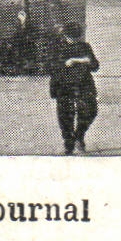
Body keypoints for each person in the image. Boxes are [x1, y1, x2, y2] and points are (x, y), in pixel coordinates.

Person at [48, 23, 99, 155]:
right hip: (64, 85)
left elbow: (95, 65)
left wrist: (77, 60)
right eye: (71, 37)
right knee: (65, 115)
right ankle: (69, 143)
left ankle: (79, 135)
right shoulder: (57, 47)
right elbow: (52, 67)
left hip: (83, 84)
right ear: (65, 35)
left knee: (91, 110)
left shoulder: (85, 46)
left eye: (76, 37)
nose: (74, 40)